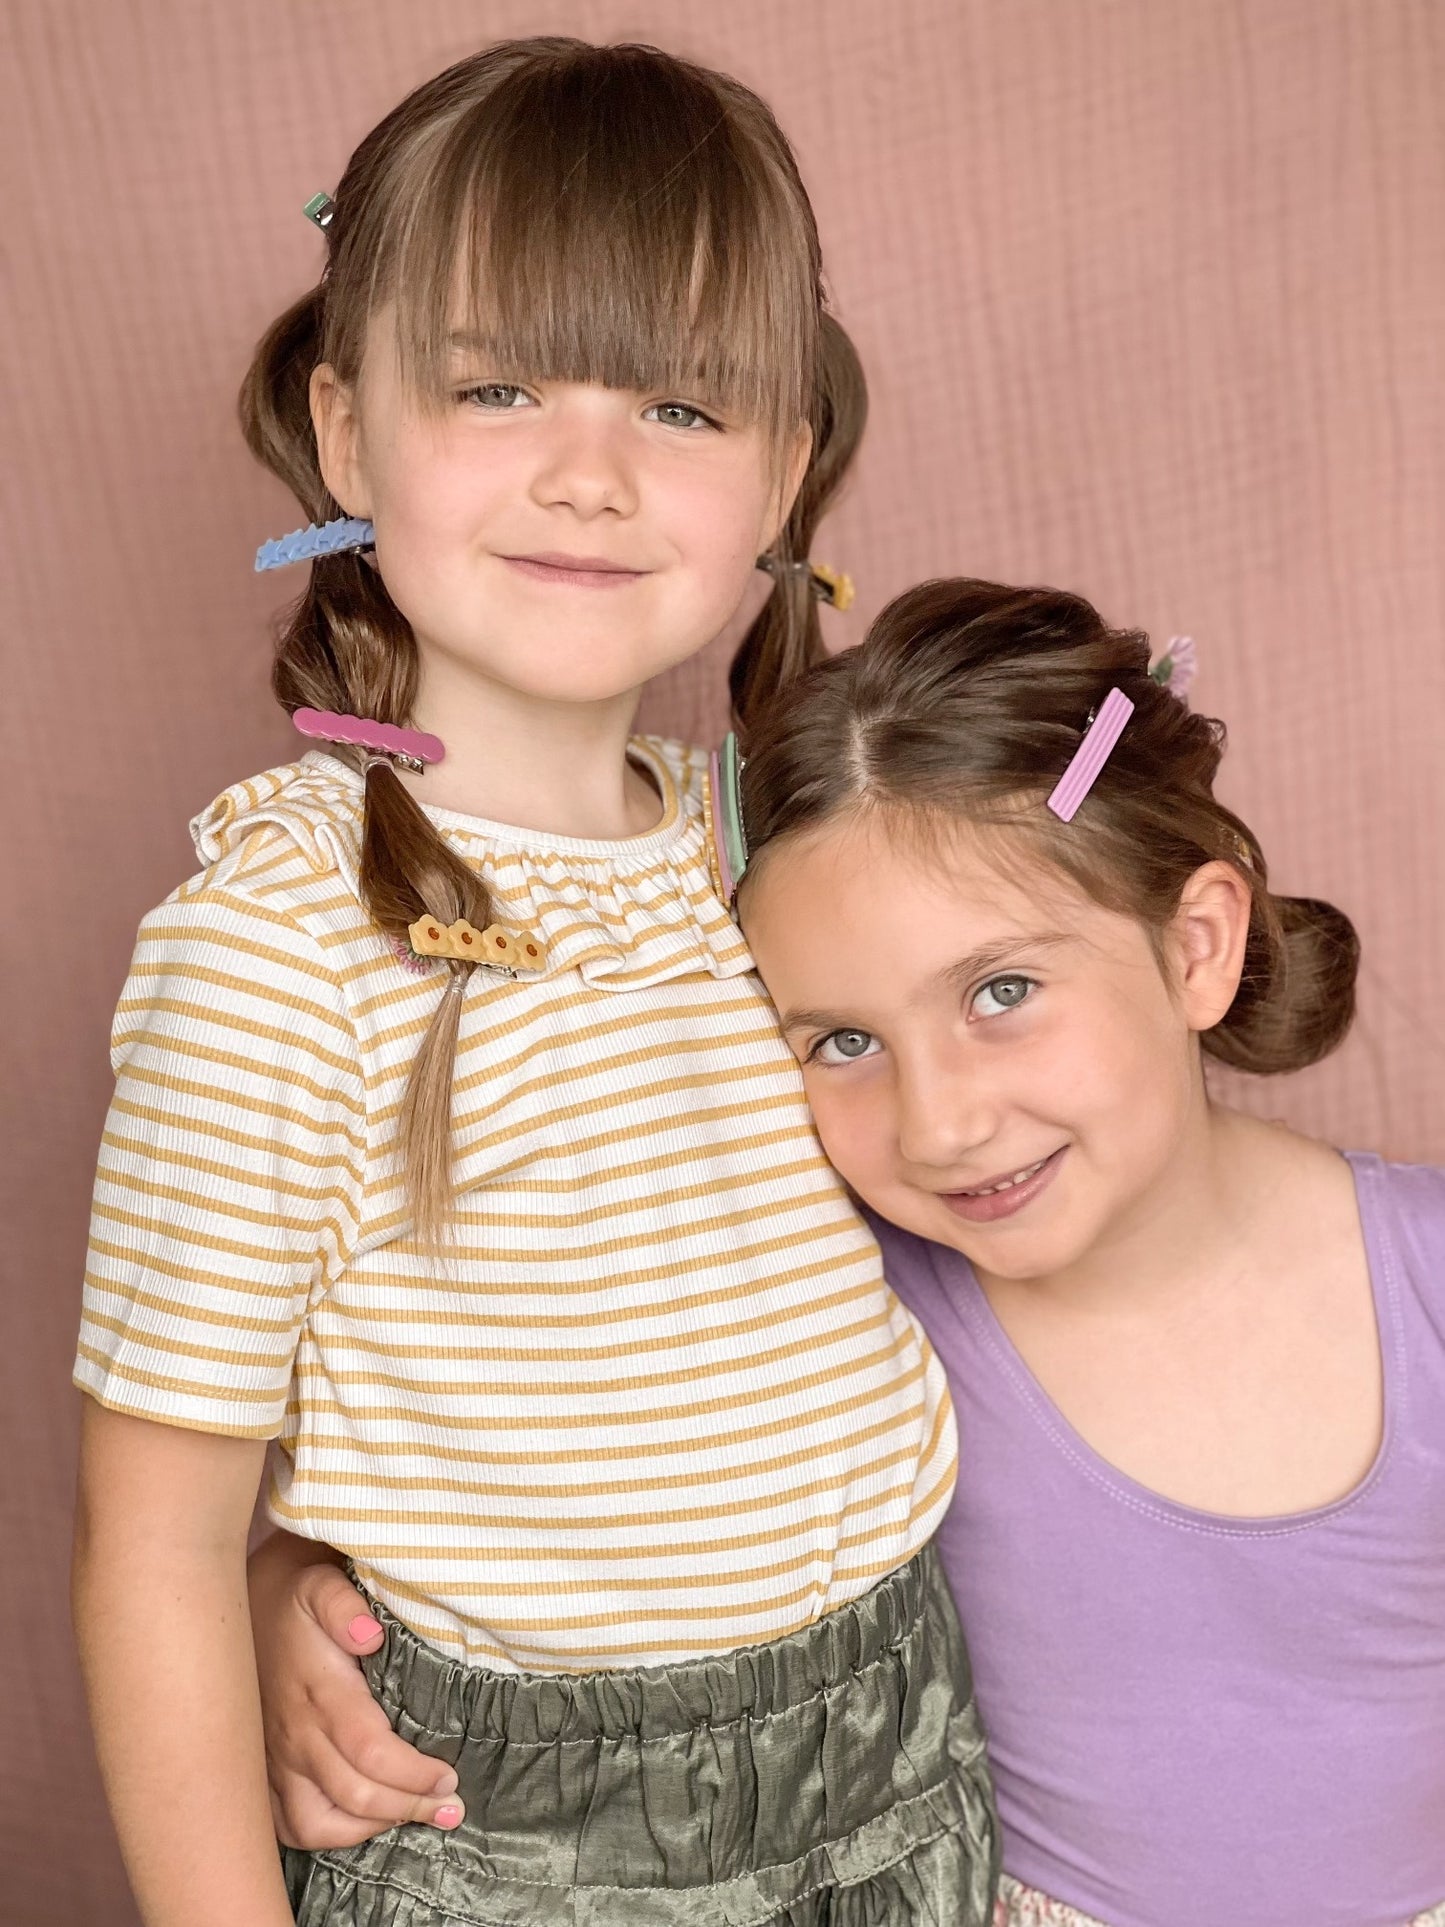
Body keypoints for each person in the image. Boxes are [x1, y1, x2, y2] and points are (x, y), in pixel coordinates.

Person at [70, 42, 1000, 1927]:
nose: (586, 476)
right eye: (496, 387)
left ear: (784, 476)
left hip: (908, 1761)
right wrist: (269, 1593)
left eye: (680, 404)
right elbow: (153, 1549)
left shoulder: (776, 853)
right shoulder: (277, 941)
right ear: (345, 439)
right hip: (521, 1845)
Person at [258, 577, 1445, 1927]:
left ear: (1195, 944)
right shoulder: (815, 1294)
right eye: (840, 1042)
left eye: (1001, 992)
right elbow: (528, 1503)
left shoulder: (1423, 1280)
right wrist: (289, 1584)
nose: (941, 1124)